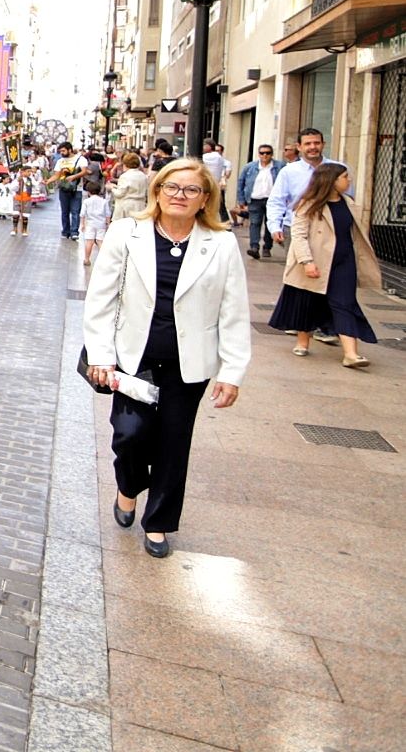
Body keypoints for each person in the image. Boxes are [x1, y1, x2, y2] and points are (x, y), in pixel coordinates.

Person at [82, 158, 250, 559]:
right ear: (157, 191)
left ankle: (158, 523)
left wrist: (232, 372)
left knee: (175, 443)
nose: (180, 195)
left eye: (191, 190)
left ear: (205, 199)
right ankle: (127, 487)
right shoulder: (128, 233)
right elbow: (101, 299)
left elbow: (234, 311)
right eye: (172, 187)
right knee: (130, 435)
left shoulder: (221, 242)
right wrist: (102, 355)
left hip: (188, 362)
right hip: (132, 357)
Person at [269, 163, 381, 368]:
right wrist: (306, 261)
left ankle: (351, 354)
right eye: (345, 177)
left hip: (344, 261)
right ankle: (303, 341)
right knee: (308, 300)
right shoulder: (308, 204)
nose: (349, 181)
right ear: (332, 180)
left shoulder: (349, 203)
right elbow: (299, 235)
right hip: (317, 260)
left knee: (345, 303)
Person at [236, 143, 281, 260]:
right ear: (258, 154)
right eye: (262, 153)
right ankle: (254, 247)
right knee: (255, 223)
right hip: (255, 200)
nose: (265, 155)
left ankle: (267, 247)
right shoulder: (250, 167)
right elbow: (241, 183)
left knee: (269, 224)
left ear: (272, 154)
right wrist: (241, 200)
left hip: (272, 201)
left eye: (268, 153)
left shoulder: (280, 166)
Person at [52, 142, 88, 240]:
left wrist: (74, 176)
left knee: (75, 211)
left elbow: (84, 171)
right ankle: (65, 231)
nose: (62, 153)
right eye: (60, 151)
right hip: (64, 188)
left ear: (70, 150)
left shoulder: (81, 159)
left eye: (63, 151)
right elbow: (57, 174)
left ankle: (74, 232)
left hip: (77, 188)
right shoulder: (60, 161)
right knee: (65, 211)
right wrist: (48, 181)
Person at [110, 152, 148, 222]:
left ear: (125, 164)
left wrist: (112, 188)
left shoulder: (125, 176)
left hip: (127, 207)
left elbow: (120, 193)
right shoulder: (143, 176)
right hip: (140, 206)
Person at [81, 179, 110, 266]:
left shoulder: (86, 201)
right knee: (100, 241)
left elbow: (82, 214)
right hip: (101, 224)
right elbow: (108, 214)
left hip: (90, 224)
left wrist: (82, 224)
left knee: (89, 242)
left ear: (89, 192)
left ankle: (86, 259)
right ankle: (104, 260)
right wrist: (108, 223)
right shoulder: (104, 201)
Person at [201, 140, 232, 223]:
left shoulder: (210, 156)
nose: (203, 147)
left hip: (209, 185)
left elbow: (194, 159)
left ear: (209, 146)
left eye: (204, 145)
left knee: (206, 206)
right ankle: (226, 224)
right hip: (215, 184)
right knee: (220, 207)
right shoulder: (219, 157)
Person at [12, 164, 45, 236]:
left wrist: (40, 182)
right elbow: (13, 188)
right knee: (16, 214)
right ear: (22, 172)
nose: (30, 173)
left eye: (30, 171)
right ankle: (15, 228)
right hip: (18, 198)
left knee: (25, 215)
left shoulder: (30, 179)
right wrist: (17, 182)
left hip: (27, 199)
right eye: (28, 171)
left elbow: (36, 185)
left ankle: (24, 230)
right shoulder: (17, 179)